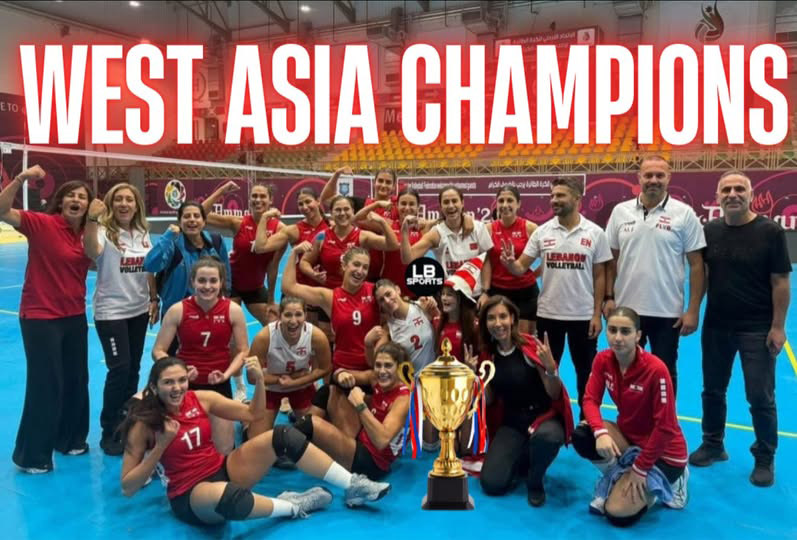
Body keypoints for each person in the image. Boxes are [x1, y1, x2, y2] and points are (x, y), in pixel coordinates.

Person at [120, 357, 391, 526]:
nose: (177, 388)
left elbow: (253, 414)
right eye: (168, 383)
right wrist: (161, 445)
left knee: (283, 436)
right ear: (153, 387)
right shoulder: (143, 423)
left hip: (222, 469)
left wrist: (260, 382)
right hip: (190, 495)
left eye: (181, 380)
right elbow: (128, 487)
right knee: (227, 496)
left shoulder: (200, 399)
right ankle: (292, 506)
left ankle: (353, 485)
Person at [688, 171, 791, 487]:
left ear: (751, 194)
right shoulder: (710, 231)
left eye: (739, 189)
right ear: (717, 197)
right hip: (717, 325)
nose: (732, 194)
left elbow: (781, 281)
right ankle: (713, 443)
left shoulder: (770, 232)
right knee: (712, 389)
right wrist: (694, 310)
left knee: (760, 395)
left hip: (756, 328)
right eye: (726, 190)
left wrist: (778, 327)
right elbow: (702, 275)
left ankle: (764, 457)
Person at [2, 166, 94, 473]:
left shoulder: (88, 233)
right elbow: (2, 211)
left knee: (77, 379)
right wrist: (20, 179)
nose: (76, 200)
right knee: (46, 383)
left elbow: (101, 259)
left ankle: (70, 440)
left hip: (75, 315)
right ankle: (32, 455)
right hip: (40, 316)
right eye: (71, 195)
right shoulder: (42, 223)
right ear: (61, 200)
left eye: (82, 197)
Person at [500, 177, 612, 410]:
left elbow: (600, 275)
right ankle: (547, 414)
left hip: (583, 316)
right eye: (552, 196)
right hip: (549, 315)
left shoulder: (595, 233)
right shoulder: (542, 232)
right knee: (545, 368)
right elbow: (521, 267)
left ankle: (587, 418)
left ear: (577, 199)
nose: (554, 200)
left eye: (560, 196)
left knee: (586, 371)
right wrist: (511, 264)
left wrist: (596, 314)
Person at [572, 307, 689, 527]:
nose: (618, 338)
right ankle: (618, 477)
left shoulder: (656, 370)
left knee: (616, 513)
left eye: (625, 331)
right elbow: (589, 400)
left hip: (665, 454)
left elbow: (665, 427)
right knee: (584, 434)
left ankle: (674, 481)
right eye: (612, 330)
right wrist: (600, 432)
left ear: (638, 335)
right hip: (631, 440)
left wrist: (641, 468)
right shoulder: (603, 360)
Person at [604, 155, 705, 394]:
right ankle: (628, 415)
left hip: (667, 311)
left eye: (660, 175)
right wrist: (608, 297)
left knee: (664, 372)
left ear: (668, 177)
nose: (653, 180)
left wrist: (693, 310)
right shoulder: (620, 212)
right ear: (639, 178)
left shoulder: (684, 214)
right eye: (648, 175)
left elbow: (697, 265)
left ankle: (665, 416)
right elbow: (611, 260)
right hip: (627, 311)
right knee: (625, 369)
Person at [474, 296, 573, 507]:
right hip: (512, 422)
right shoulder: (488, 356)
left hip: (542, 418)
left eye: (503, 316)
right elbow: (489, 401)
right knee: (492, 484)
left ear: (512, 319)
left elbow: (554, 394)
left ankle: (535, 480)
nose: (498, 323)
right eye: (491, 318)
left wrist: (551, 369)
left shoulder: (529, 347)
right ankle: (524, 455)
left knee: (548, 437)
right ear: (485, 323)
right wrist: (477, 378)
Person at [83, 183, 159, 456]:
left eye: (129, 199)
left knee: (134, 369)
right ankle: (109, 430)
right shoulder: (103, 231)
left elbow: (149, 269)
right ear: (111, 204)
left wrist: (153, 299)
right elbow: (91, 251)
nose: (124, 204)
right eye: (119, 199)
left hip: (138, 310)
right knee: (119, 369)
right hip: (111, 312)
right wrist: (92, 219)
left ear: (137, 205)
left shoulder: (142, 233)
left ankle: (127, 423)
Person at [151, 257, 248, 454]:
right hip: (184, 385)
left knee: (224, 450)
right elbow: (158, 350)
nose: (207, 286)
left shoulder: (233, 310)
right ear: (192, 282)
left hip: (218, 384)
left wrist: (227, 374)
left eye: (213, 281)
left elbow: (243, 350)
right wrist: (180, 373)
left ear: (221, 282)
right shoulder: (178, 310)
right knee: (180, 445)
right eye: (202, 280)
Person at [283, 246, 380, 437]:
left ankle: (328, 407)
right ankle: (328, 404)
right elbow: (289, 287)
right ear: (344, 265)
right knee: (325, 435)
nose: (360, 271)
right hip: (342, 374)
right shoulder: (330, 297)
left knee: (350, 437)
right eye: (356, 265)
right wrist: (294, 254)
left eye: (365, 267)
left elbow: (397, 304)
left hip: (372, 372)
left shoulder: (375, 292)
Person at [293, 342, 411, 480]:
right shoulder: (375, 378)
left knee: (309, 424)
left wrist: (360, 404)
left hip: (372, 463)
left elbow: (381, 440)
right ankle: (301, 445)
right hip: (361, 440)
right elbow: (337, 375)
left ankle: (288, 444)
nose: (382, 371)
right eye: (378, 365)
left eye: (388, 366)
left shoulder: (403, 400)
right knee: (329, 391)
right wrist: (341, 374)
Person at [364, 279, 439, 448]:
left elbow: (442, 325)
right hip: (415, 385)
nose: (387, 301)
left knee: (435, 440)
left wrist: (435, 308)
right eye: (381, 300)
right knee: (427, 444)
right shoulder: (388, 329)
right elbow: (374, 362)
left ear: (397, 290)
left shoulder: (422, 305)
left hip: (438, 376)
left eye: (388, 294)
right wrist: (368, 343)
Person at [202, 180, 284, 325]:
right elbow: (201, 215)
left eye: (262, 196)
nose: (258, 200)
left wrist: (271, 299)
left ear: (270, 200)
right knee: (228, 327)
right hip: (231, 285)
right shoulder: (238, 223)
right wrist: (222, 191)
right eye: (254, 196)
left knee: (274, 323)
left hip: (255, 288)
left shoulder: (279, 229)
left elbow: (273, 266)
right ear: (249, 199)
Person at [247, 296, 332, 436]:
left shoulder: (316, 336)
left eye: (298, 314)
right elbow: (251, 378)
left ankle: (296, 414)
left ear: (305, 315)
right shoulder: (264, 337)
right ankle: (245, 423)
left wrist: (295, 382)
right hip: (270, 388)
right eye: (288, 315)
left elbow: (326, 368)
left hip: (301, 387)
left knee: (315, 435)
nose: (293, 321)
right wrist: (286, 379)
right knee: (255, 439)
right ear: (279, 316)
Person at [143, 200, 231, 324]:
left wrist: (224, 303)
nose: (192, 220)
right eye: (187, 216)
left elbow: (226, 276)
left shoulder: (216, 242)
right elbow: (149, 265)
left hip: (209, 311)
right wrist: (167, 237)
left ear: (204, 221)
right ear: (180, 222)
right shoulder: (172, 244)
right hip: (176, 315)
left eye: (196, 216)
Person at [254, 187, 329, 328]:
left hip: (321, 294)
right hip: (297, 294)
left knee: (322, 337)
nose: (305, 207)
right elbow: (260, 247)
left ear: (318, 201)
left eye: (308, 202)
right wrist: (265, 217)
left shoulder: (332, 227)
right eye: (300, 204)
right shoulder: (294, 230)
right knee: (293, 334)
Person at [299, 195, 398, 291]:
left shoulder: (362, 236)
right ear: (331, 213)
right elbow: (304, 261)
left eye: (346, 209)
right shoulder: (321, 236)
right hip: (330, 294)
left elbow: (393, 245)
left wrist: (382, 222)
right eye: (338, 210)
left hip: (357, 295)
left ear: (353, 211)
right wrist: (313, 274)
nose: (342, 213)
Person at [479, 185, 539, 335]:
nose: (505, 205)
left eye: (510, 200)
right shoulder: (488, 229)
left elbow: (547, 258)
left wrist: (533, 275)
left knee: (524, 339)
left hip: (525, 294)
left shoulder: (530, 228)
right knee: (499, 337)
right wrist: (485, 292)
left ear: (518, 204)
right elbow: (485, 262)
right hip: (498, 292)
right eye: (501, 201)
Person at [400, 185, 493, 279]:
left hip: (476, 289)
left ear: (462, 203)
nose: (451, 206)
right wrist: (404, 231)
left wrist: (485, 288)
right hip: (448, 288)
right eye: (446, 202)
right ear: (440, 207)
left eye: (454, 201)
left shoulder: (478, 228)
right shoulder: (436, 233)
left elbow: (486, 261)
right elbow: (408, 259)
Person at [356, 187, 427, 298]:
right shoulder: (389, 224)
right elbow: (357, 219)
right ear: (397, 206)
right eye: (403, 203)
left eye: (412, 204)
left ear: (418, 207)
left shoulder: (423, 227)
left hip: (415, 289)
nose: (407, 208)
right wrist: (376, 204)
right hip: (388, 287)